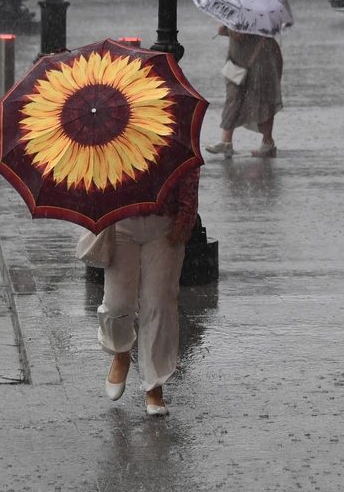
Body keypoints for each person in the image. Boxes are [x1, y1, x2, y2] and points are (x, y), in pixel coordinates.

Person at [98, 168, 200, 417]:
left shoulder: (171, 128)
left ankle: (154, 386)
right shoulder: (104, 130)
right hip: (120, 221)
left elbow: (189, 166)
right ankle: (121, 350)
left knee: (159, 304)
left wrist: (185, 218)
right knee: (117, 304)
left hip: (163, 224)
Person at [204, 26, 283, 158]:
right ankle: (227, 141)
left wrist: (227, 29)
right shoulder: (247, 13)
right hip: (243, 58)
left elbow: (238, 34)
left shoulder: (249, 14)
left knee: (261, 97)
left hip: (260, 58)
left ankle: (266, 142)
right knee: (240, 96)